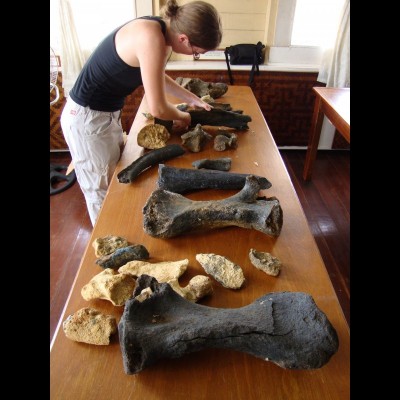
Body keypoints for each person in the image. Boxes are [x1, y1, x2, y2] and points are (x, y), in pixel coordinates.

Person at [60, 0, 223, 226]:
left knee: (114, 180)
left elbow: (155, 75)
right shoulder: (151, 38)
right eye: (196, 52)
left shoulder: (159, 31)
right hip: (87, 119)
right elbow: (157, 108)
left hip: (102, 116)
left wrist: (191, 98)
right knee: (100, 190)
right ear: (184, 38)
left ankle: (119, 230)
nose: (195, 55)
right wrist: (184, 116)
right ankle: (108, 242)